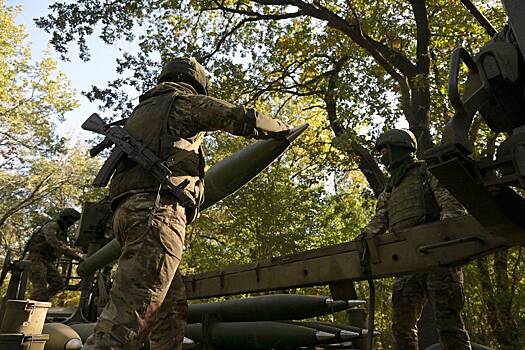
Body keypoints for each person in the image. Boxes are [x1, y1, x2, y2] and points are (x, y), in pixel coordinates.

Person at [84, 57, 291, 350]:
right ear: (197, 84)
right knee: (125, 324)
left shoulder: (140, 114)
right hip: (156, 215)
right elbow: (237, 116)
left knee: (170, 316)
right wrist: (281, 128)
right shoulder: (182, 103)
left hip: (129, 215)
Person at [361, 129, 471, 350]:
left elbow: (451, 207)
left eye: (384, 150)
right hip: (408, 262)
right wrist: (364, 238)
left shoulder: (426, 171)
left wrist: (449, 245)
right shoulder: (391, 187)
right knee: (401, 325)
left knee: (448, 323)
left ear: (397, 148)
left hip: (438, 254)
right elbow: (380, 220)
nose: (382, 156)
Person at [27, 208, 83, 301]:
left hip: (48, 261)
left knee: (58, 283)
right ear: (65, 218)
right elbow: (52, 241)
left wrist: (79, 258)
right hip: (36, 259)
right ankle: (33, 307)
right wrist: (68, 249)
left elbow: (64, 250)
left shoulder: (63, 233)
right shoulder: (51, 226)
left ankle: (40, 301)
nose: (72, 224)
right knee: (40, 286)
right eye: (71, 221)